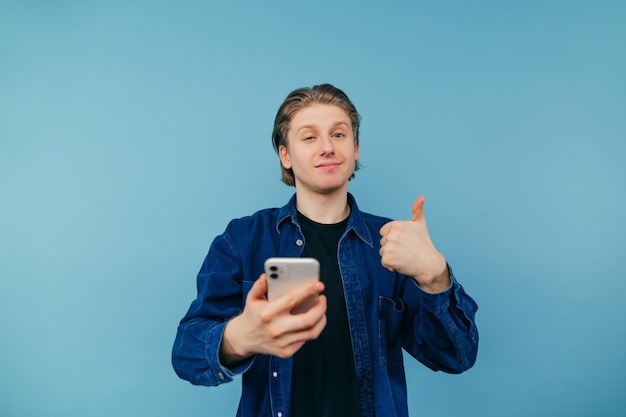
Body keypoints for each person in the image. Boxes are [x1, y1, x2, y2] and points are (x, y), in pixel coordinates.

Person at [172, 84, 479, 417]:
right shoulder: (242, 240)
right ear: (285, 155)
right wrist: (239, 338)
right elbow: (186, 353)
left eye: (338, 134)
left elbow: (456, 357)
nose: (327, 148)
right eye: (309, 137)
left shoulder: (394, 243)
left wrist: (435, 277)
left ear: (356, 148)